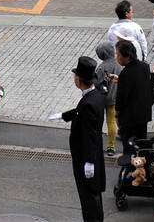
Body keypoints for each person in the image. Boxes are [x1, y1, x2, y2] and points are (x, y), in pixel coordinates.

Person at [59, 56, 106, 221]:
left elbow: (89, 136)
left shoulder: (88, 104)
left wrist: (89, 162)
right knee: (92, 195)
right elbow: (79, 112)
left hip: (86, 157)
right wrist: (64, 116)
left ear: (79, 80)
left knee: (89, 197)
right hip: (91, 156)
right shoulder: (95, 96)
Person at [107, 40, 152, 155]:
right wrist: (120, 80)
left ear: (127, 56)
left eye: (118, 54)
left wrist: (116, 114)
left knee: (129, 147)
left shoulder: (126, 73)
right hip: (143, 114)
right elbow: (137, 84)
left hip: (130, 118)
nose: (117, 58)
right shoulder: (144, 66)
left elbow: (121, 97)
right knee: (141, 145)